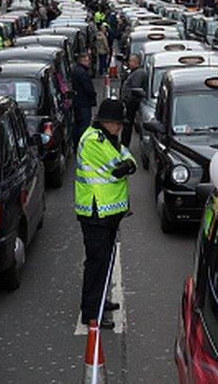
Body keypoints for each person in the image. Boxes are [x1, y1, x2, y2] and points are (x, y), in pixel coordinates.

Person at [75, 98, 136, 330]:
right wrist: (126, 165)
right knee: (96, 263)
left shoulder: (108, 138)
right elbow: (117, 166)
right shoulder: (93, 141)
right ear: (107, 122)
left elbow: (129, 159)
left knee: (106, 260)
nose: (120, 127)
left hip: (107, 211)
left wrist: (127, 164)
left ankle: (100, 301)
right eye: (118, 123)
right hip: (94, 211)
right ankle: (92, 314)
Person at [120, 54, 148, 147]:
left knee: (127, 125)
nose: (129, 63)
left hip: (132, 104)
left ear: (136, 62)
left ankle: (125, 144)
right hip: (130, 103)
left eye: (131, 61)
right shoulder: (133, 72)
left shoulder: (138, 73)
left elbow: (135, 88)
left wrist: (128, 100)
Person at [72, 53, 98, 148]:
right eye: (87, 61)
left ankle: (76, 144)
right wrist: (93, 94)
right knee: (84, 125)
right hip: (84, 103)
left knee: (77, 124)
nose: (89, 63)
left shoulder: (76, 71)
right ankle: (82, 145)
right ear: (82, 61)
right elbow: (88, 88)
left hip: (77, 102)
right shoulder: (83, 73)